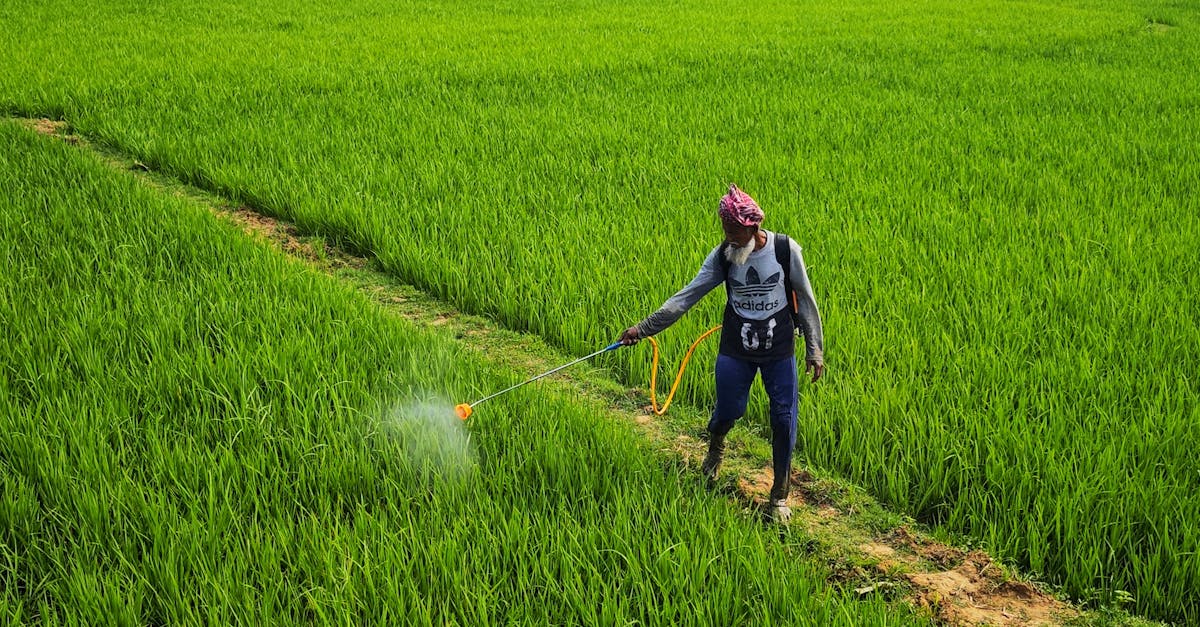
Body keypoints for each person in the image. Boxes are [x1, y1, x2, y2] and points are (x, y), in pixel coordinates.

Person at [619, 184, 824, 522]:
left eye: (734, 230)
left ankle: (779, 496)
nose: (729, 236)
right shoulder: (723, 256)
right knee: (729, 409)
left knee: (784, 418)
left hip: (778, 347)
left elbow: (805, 297)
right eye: (725, 228)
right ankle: (715, 448)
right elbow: (686, 297)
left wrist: (814, 349)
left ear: (753, 227)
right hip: (736, 345)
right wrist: (643, 328)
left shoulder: (785, 250)